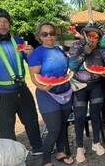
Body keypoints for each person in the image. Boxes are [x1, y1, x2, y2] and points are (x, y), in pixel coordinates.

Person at [0, 8, 42, 155]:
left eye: (5, 21)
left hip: (22, 88)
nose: (2, 24)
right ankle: (13, 156)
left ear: (9, 24)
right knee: (7, 127)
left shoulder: (19, 41)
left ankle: (38, 149)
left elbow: (33, 64)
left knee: (32, 121)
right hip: (0, 93)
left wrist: (32, 55)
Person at [28, 22, 74, 166]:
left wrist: (70, 74)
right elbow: (34, 77)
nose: (49, 36)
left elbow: (65, 70)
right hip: (47, 95)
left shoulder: (59, 50)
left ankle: (61, 151)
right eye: (44, 34)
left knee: (62, 124)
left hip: (65, 92)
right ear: (39, 36)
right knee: (54, 128)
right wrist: (42, 87)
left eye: (52, 33)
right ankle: (45, 160)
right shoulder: (37, 53)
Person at [69, 22, 105, 163]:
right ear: (85, 35)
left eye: (96, 36)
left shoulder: (103, 50)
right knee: (80, 116)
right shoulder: (77, 46)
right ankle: (80, 148)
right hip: (79, 86)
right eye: (90, 35)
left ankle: (96, 142)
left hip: (96, 86)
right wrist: (85, 52)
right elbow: (73, 66)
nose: (93, 39)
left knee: (96, 114)